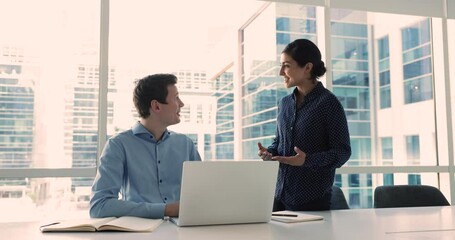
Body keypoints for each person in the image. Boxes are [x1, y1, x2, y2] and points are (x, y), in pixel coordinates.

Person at [90, 73, 201, 219]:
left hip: (184, 231)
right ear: (156, 106)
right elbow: (99, 206)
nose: (181, 104)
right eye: (176, 98)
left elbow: (202, 195)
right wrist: (166, 210)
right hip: (139, 233)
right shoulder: (118, 145)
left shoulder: (186, 144)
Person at [257, 39, 351, 211]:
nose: (281, 72)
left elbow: (342, 152)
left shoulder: (329, 103)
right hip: (280, 197)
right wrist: (269, 152)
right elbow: (280, 142)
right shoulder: (284, 103)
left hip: (313, 202)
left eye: (286, 65)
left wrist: (306, 161)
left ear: (307, 68)